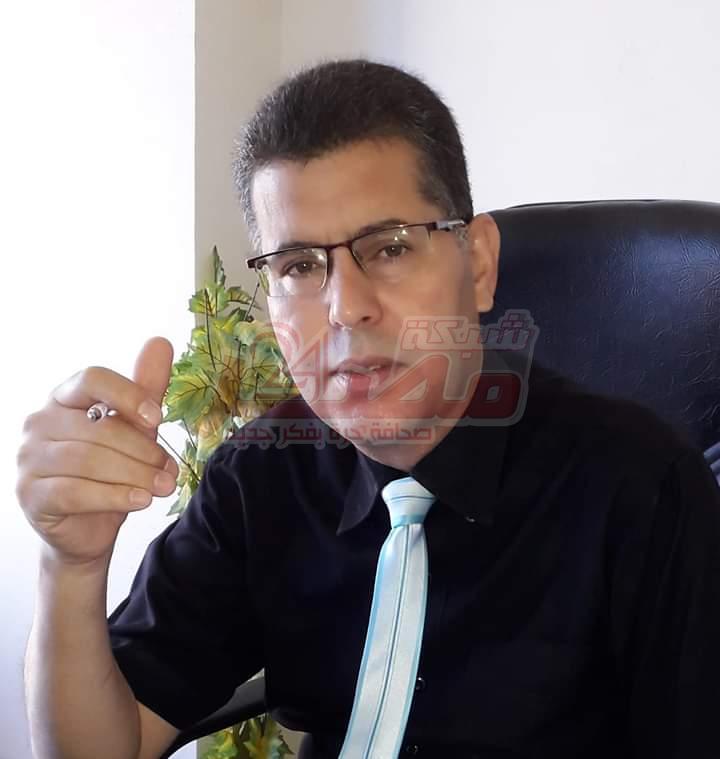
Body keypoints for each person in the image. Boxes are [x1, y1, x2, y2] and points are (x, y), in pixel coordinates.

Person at [16, 58, 720, 759]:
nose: (345, 307)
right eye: (299, 265)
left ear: (478, 263)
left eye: (388, 248)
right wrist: (70, 566)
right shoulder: (260, 478)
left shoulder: (642, 489)